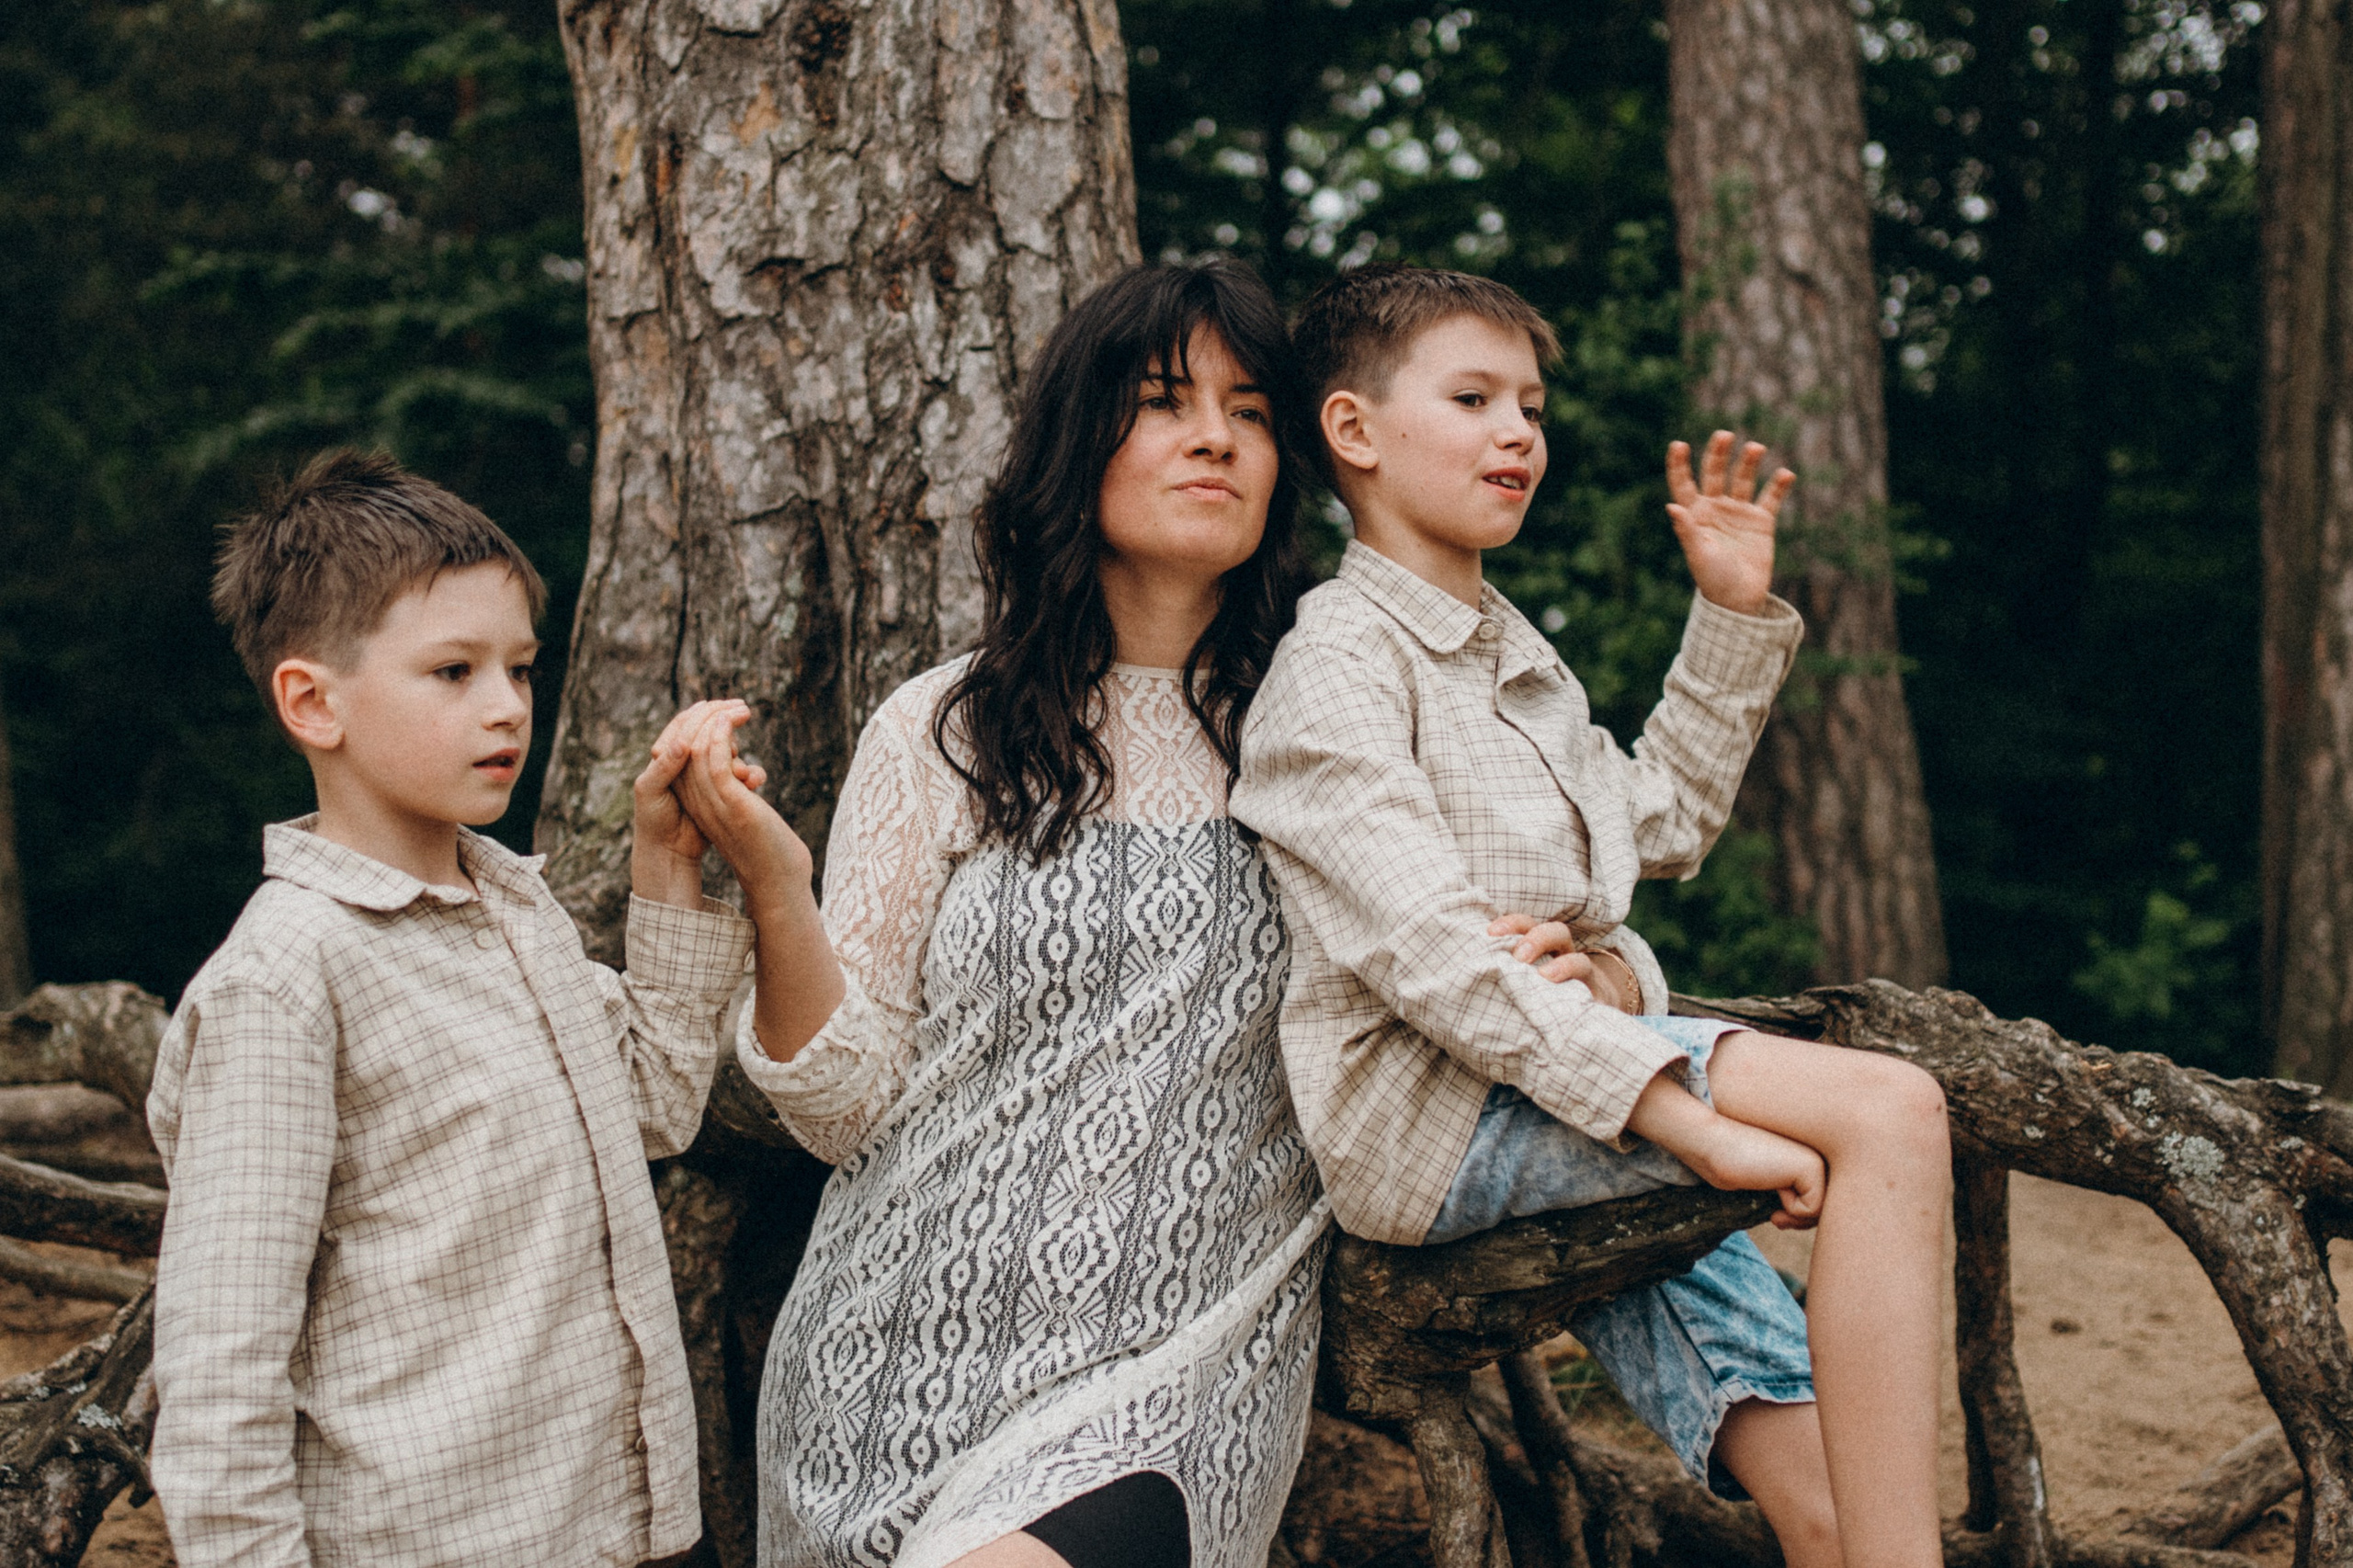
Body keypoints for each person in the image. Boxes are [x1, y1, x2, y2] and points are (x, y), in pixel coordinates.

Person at [1229, 264, 1950, 1568]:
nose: (1520, 432)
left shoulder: (1512, 648)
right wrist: (1688, 1120)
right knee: (1892, 1109)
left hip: (1561, 1075)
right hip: (1441, 1115)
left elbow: (1653, 826)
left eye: (1532, 406)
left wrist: (1729, 616)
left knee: (1831, 1509)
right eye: (1473, 397)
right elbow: (1436, 959)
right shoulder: (1334, 662)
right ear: (1353, 432)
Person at [692, 261, 1330, 1568]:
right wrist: (776, 888)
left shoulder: (1334, 731)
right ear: (1075, 444)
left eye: (1252, 410)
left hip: (1167, 1370)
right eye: (1164, 400)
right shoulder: (944, 727)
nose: (1215, 433)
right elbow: (842, 1103)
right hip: (884, 1356)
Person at [146, 451, 779, 1567]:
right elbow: (218, 1381)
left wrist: (666, 861)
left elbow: (658, 1100)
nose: (506, 706)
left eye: (521, 670)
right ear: (312, 701)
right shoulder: (286, 978)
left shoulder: (508, 909)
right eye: (453, 671)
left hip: (639, 1525)